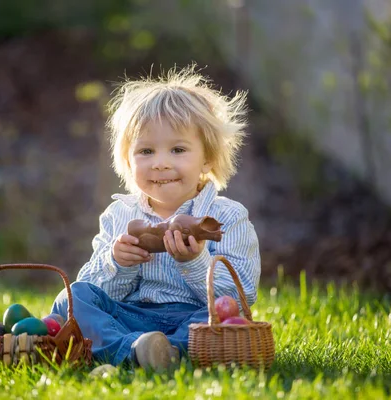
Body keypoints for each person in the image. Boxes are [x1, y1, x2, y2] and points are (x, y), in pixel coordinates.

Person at [51, 65, 261, 371]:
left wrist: (196, 262)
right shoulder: (120, 214)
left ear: (208, 158)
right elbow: (97, 291)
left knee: (221, 318)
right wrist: (118, 263)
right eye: (146, 151)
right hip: (131, 316)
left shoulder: (226, 217)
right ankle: (137, 350)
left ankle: (164, 352)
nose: (160, 164)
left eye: (177, 149)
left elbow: (240, 297)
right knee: (73, 297)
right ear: (127, 159)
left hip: (191, 318)